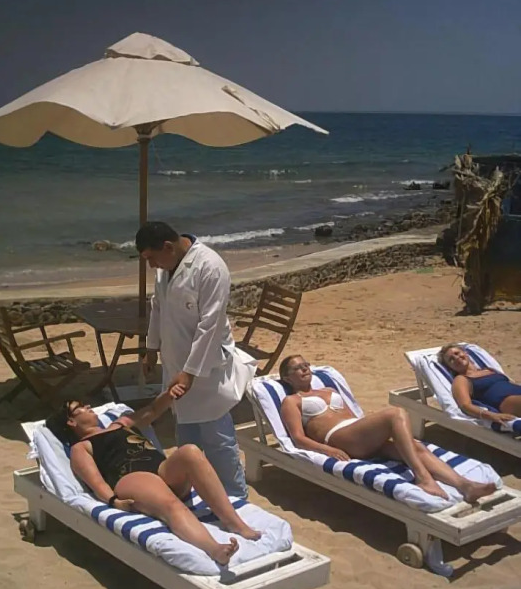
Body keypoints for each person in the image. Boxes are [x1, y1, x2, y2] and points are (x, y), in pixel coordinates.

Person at [46, 391, 260, 566]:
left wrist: (170, 393)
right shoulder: (81, 448)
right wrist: (113, 501)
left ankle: (235, 523)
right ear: (71, 421)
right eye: (79, 408)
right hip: (131, 476)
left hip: (161, 468)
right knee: (171, 504)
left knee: (191, 451)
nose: (88, 406)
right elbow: (96, 482)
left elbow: (152, 410)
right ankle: (215, 549)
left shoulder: (120, 424)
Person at [135, 221, 254, 499]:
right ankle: (192, 493)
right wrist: (151, 349)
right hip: (175, 362)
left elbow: (210, 325)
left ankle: (236, 494)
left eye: (151, 258)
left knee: (217, 436)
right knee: (186, 436)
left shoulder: (210, 267)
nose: (151, 265)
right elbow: (158, 308)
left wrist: (190, 372)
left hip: (206, 366)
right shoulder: (165, 268)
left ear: (167, 247)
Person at [278, 355, 496, 503]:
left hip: (358, 434)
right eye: (297, 368)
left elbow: (353, 417)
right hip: (338, 438)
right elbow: (297, 438)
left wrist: (374, 433)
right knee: (395, 413)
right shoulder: (292, 400)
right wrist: (328, 450)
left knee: (416, 447)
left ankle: (465, 486)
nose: (304, 369)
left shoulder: (328, 389)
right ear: (287, 378)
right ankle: (423, 478)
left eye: (306, 365)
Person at [437, 343, 521, 421]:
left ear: (465, 353)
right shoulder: (461, 379)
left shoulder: (489, 369)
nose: (456, 358)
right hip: (506, 401)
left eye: (457, 353)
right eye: (451, 359)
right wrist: (492, 415)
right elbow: (465, 405)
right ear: (450, 367)